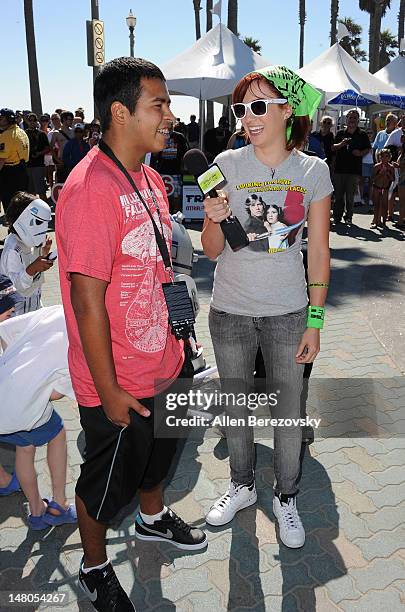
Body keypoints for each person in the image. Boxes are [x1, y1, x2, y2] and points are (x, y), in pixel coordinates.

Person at [55, 57, 207, 612]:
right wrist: (109, 389)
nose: (170, 116)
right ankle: (94, 568)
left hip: (166, 357)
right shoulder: (90, 189)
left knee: (159, 459)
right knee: (105, 482)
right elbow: (85, 300)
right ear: (120, 113)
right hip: (116, 377)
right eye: (158, 105)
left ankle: (152, 519)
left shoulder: (146, 174)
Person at [201, 65, 332, 549]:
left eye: (259, 106)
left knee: (288, 411)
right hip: (230, 312)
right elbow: (213, 249)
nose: (248, 118)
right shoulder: (227, 164)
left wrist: (315, 321)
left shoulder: (312, 171)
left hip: (288, 313)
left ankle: (287, 496)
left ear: (286, 111)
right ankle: (240, 485)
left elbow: (318, 251)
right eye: (242, 108)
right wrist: (213, 218)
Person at [0, 296, 77, 529]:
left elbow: (4, 330)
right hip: (18, 407)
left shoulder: (56, 311)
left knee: (25, 446)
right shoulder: (84, 343)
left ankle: (36, 509)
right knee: (58, 433)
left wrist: (15, 366)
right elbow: (54, 395)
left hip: (2, 392)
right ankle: (58, 505)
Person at [0, 191, 53, 314]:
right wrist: (33, 268)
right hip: (16, 315)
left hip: (33, 306)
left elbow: (34, 273)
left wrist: (43, 254)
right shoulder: (13, 249)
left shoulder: (28, 242)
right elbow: (18, 285)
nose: (44, 229)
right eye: (39, 222)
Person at [332, 109, 371, 225]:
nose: (352, 120)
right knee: (338, 195)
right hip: (339, 169)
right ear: (346, 119)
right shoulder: (340, 133)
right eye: (350, 117)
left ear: (358, 120)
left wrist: (360, 153)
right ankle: (337, 216)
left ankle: (349, 216)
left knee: (350, 196)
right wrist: (341, 144)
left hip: (354, 170)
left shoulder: (362, 134)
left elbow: (368, 148)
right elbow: (333, 147)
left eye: (354, 118)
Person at [0, 108, 29, 215]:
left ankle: (14, 229)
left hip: (9, 173)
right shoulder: (21, 132)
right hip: (22, 170)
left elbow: (1, 159)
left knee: (10, 207)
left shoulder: (7, 135)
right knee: (21, 204)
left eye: (1, 118)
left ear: (9, 119)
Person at [25, 112, 50, 201]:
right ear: (27, 121)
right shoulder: (23, 134)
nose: (32, 122)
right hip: (27, 165)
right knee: (30, 193)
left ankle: (46, 212)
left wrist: (39, 153)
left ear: (36, 122)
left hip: (38, 165)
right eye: (30, 120)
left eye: (34, 120)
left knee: (41, 192)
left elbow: (48, 148)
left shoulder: (42, 134)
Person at [370, 148, 395, 229]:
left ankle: (383, 222)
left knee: (384, 205)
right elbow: (372, 179)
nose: (385, 158)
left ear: (389, 157)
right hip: (377, 187)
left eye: (387, 156)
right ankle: (376, 221)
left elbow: (393, 179)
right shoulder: (376, 166)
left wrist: (387, 174)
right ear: (380, 157)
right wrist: (380, 174)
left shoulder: (391, 167)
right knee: (376, 205)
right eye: (383, 156)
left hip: (385, 188)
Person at [50, 110, 74, 183]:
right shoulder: (56, 133)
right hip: (62, 162)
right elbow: (51, 148)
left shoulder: (74, 131)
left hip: (73, 161)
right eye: (70, 119)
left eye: (72, 119)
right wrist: (57, 160)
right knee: (61, 184)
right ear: (64, 119)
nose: (72, 121)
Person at [394, 139, 405, 229]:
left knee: (402, 202)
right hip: (401, 178)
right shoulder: (402, 152)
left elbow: (401, 165)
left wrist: (399, 166)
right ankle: (402, 219)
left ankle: (401, 221)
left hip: (403, 180)